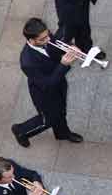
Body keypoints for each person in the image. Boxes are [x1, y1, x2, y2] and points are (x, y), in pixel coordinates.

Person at [11, 17, 83, 148]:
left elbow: (56, 47)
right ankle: (21, 130)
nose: (48, 40)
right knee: (47, 120)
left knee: (60, 111)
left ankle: (62, 133)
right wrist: (63, 64)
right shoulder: (27, 62)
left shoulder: (46, 37)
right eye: (43, 39)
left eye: (48, 34)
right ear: (31, 40)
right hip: (44, 93)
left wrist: (71, 48)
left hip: (59, 83)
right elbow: (47, 84)